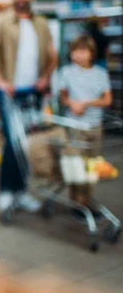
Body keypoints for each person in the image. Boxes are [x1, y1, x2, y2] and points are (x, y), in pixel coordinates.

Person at [0, 0, 58, 215]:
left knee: (28, 144)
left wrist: (46, 76)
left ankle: (21, 191)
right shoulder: (1, 22)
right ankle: (7, 193)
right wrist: (2, 82)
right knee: (12, 143)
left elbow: (52, 54)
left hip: (33, 93)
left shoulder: (41, 24)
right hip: (11, 94)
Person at [59, 35, 111, 216]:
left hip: (95, 126)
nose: (78, 55)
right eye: (75, 51)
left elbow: (107, 99)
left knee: (92, 165)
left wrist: (87, 103)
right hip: (75, 126)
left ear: (91, 53)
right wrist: (71, 103)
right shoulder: (66, 72)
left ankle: (87, 201)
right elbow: (63, 97)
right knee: (76, 165)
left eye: (83, 51)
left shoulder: (101, 74)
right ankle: (77, 203)